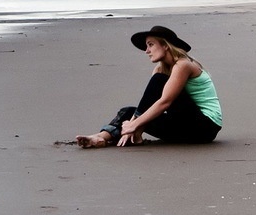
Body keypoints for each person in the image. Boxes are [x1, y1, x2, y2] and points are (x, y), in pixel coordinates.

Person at [75, 24, 222, 147]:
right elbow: (148, 102)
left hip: (205, 128)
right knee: (128, 111)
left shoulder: (184, 65)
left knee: (157, 83)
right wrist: (134, 123)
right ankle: (100, 137)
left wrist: (134, 125)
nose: (146, 51)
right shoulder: (160, 69)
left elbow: (165, 102)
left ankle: (133, 132)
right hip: (184, 129)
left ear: (165, 45)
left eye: (150, 45)